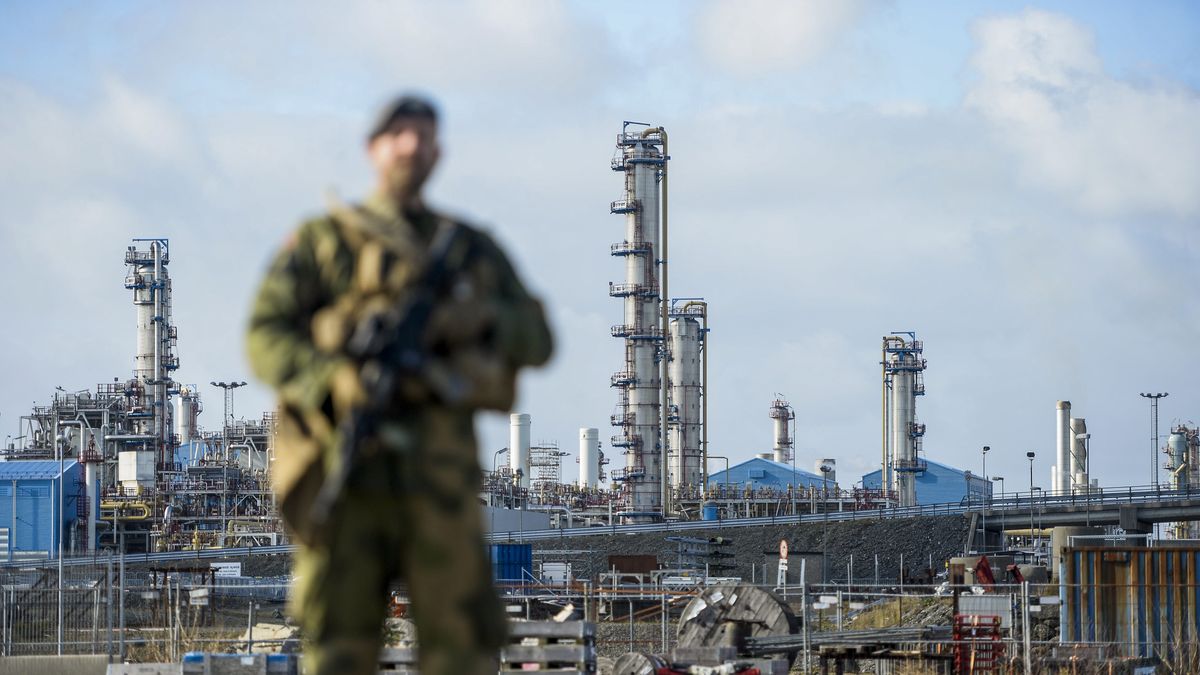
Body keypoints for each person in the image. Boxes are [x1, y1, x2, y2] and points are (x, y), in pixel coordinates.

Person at [246, 94, 553, 675]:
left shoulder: (468, 251)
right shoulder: (324, 244)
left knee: (462, 650)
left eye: (424, 135)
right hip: (349, 477)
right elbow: (265, 335)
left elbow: (536, 338)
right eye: (399, 133)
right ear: (373, 149)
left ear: (439, 152)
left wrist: (472, 319)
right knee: (336, 648)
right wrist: (331, 380)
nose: (412, 145)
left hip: (437, 489)